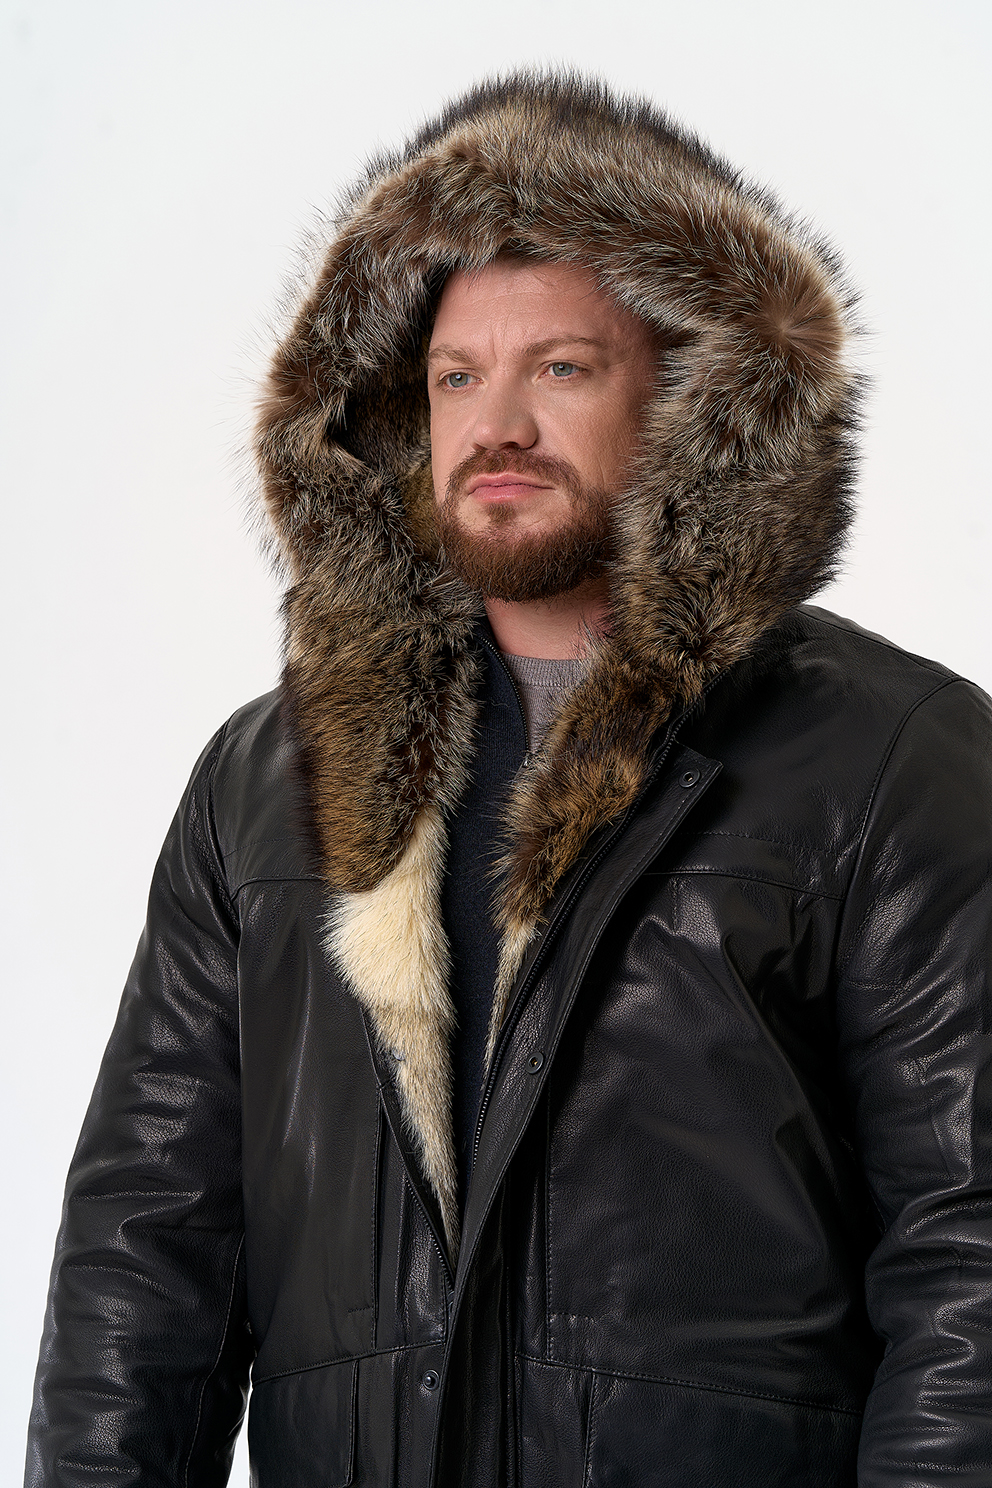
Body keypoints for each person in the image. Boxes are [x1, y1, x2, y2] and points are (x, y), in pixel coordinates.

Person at [25, 70, 992, 1488]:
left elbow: (969, 1249)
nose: (498, 426)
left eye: (562, 368)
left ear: (691, 395)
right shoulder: (264, 782)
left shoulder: (891, 758)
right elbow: (147, 1246)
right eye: (457, 377)